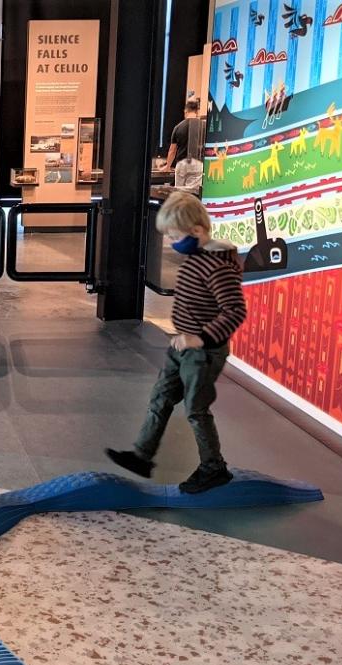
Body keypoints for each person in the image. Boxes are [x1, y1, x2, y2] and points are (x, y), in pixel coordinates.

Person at [106, 191, 247, 494]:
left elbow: (235, 311)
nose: (170, 241)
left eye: (174, 235)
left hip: (204, 352)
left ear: (196, 231)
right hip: (180, 346)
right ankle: (142, 456)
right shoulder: (194, 257)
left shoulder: (217, 266)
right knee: (161, 398)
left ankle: (214, 468)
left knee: (196, 409)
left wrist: (200, 337)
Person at [164, 96, 203, 169]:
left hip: (181, 164)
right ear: (197, 111)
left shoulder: (178, 127)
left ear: (186, 111)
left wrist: (167, 166)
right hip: (198, 164)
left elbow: (172, 151)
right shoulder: (203, 126)